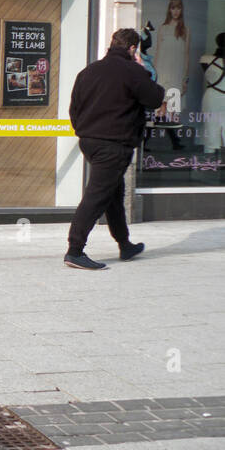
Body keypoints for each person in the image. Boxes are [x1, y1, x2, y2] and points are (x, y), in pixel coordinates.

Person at [64, 28, 165, 270]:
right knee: (97, 196)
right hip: (114, 144)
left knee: (114, 195)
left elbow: (74, 109)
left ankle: (125, 244)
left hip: (90, 142)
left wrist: (84, 132)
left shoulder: (89, 71)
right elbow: (155, 97)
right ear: (133, 49)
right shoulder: (133, 71)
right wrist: (143, 69)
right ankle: (74, 250)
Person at [201, 33, 225, 157]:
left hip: (212, 96)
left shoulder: (206, 59)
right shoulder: (206, 59)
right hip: (216, 96)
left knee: (210, 128)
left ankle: (210, 161)